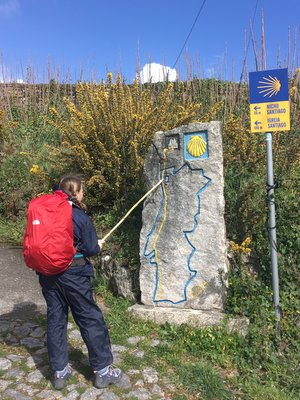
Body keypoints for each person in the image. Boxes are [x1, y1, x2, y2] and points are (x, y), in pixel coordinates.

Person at [38, 175, 122, 390]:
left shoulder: (46, 212)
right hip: (74, 275)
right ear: (76, 192)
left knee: (56, 319)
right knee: (89, 318)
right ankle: (103, 371)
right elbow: (92, 249)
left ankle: (59, 372)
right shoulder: (78, 216)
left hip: (48, 274)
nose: (83, 193)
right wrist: (98, 245)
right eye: (82, 190)